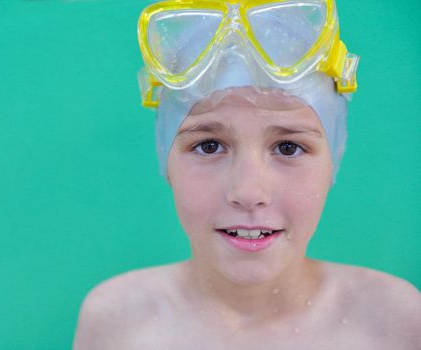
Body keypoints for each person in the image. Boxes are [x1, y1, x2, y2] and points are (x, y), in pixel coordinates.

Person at [73, 1, 421, 349]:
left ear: (334, 159)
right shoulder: (116, 324)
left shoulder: (394, 321)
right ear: (166, 160)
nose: (249, 190)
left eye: (288, 148)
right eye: (209, 146)